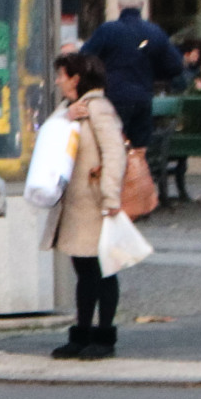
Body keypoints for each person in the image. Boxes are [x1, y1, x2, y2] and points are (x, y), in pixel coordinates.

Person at [40, 50, 128, 360]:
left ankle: (103, 336)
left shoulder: (99, 108)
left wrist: (110, 197)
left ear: (75, 78)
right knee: (83, 268)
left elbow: (114, 153)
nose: (58, 81)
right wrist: (66, 116)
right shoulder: (70, 108)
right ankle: (81, 333)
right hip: (76, 202)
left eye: (62, 75)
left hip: (94, 202)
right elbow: (47, 135)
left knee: (102, 269)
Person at [80, 0, 184, 153]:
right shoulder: (154, 32)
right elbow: (176, 65)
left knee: (113, 148)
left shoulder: (108, 30)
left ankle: (116, 179)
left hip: (113, 99)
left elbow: (84, 58)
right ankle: (137, 178)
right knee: (139, 151)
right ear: (141, 4)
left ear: (119, 6)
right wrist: (153, 74)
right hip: (143, 97)